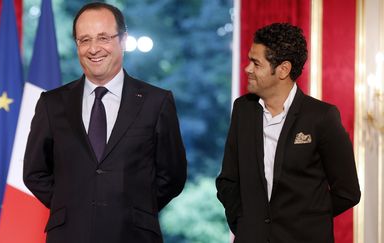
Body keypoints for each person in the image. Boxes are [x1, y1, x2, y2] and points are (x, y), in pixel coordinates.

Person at [23, 2, 187, 243]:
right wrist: (72, 206)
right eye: (84, 40)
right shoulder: (52, 103)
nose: (93, 48)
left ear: (123, 40)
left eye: (103, 38)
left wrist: (133, 207)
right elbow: (35, 172)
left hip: (134, 235)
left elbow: (172, 175)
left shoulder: (156, 102)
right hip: (68, 235)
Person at [215, 23, 360, 243]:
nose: (247, 69)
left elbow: (347, 192)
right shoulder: (242, 109)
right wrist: (245, 222)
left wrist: (307, 222)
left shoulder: (322, 116)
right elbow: (227, 180)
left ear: (283, 69)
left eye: (256, 63)